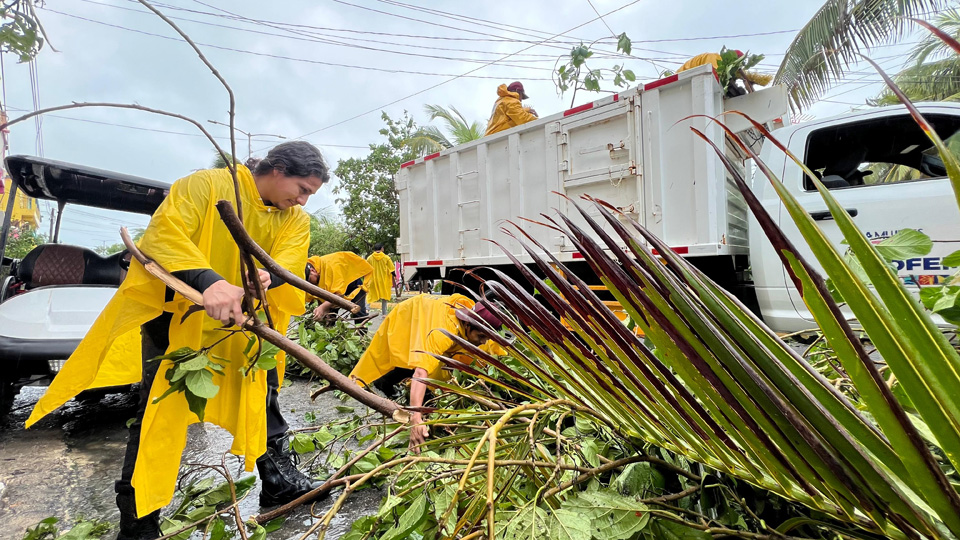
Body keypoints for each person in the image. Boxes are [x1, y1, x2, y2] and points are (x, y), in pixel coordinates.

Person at [25, 141, 330, 539]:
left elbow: (283, 265)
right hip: (176, 323)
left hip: (245, 325)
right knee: (160, 415)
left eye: (310, 194)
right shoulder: (205, 185)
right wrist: (211, 281)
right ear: (276, 169)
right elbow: (164, 237)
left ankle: (277, 481)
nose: (303, 201)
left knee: (263, 395)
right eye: (302, 189)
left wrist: (264, 279)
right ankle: (139, 523)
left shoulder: (293, 220)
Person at [348, 294, 503, 452]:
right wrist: (416, 419)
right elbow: (421, 372)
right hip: (410, 316)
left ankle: (421, 396)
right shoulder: (443, 331)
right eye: (481, 336)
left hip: (431, 313)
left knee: (435, 364)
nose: (484, 341)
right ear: (467, 324)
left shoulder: (479, 324)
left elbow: (496, 353)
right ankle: (384, 382)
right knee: (410, 358)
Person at [305, 251, 373, 319]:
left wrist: (323, 307)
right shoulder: (316, 272)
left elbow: (339, 294)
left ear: (312, 271)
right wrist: (322, 309)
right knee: (330, 317)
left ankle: (362, 329)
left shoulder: (330, 266)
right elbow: (320, 294)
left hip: (353, 284)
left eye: (309, 280)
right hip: (334, 292)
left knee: (359, 313)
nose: (309, 283)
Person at [677, 50, 771, 97]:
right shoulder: (715, 58)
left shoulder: (720, 64)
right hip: (680, 82)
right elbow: (714, 75)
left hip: (688, 84)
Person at [365, 243, 395, 316]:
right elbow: (392, 269)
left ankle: (366, 309)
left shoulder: (369, 258)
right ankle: (384, 313)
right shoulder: (386, 258)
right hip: (383, 280)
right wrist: (395, 276)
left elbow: (366, 268)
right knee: (384, 296)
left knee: (369, 294)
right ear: (381, 248)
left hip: (373, 280)